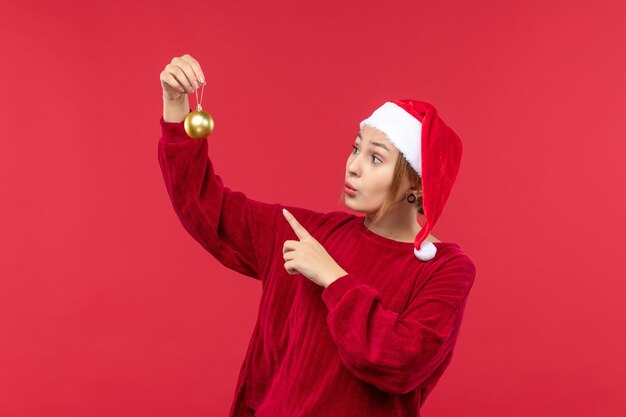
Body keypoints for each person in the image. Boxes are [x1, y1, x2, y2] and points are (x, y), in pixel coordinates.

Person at [158, 54, 476, 417]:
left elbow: (400, 361)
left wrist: (333, 278)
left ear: (417, 187)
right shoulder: (305, 232)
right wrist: (175, 103)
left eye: (375, 158)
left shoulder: (446, 268)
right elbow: (204, 208)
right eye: (356, 148)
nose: (353, 166)